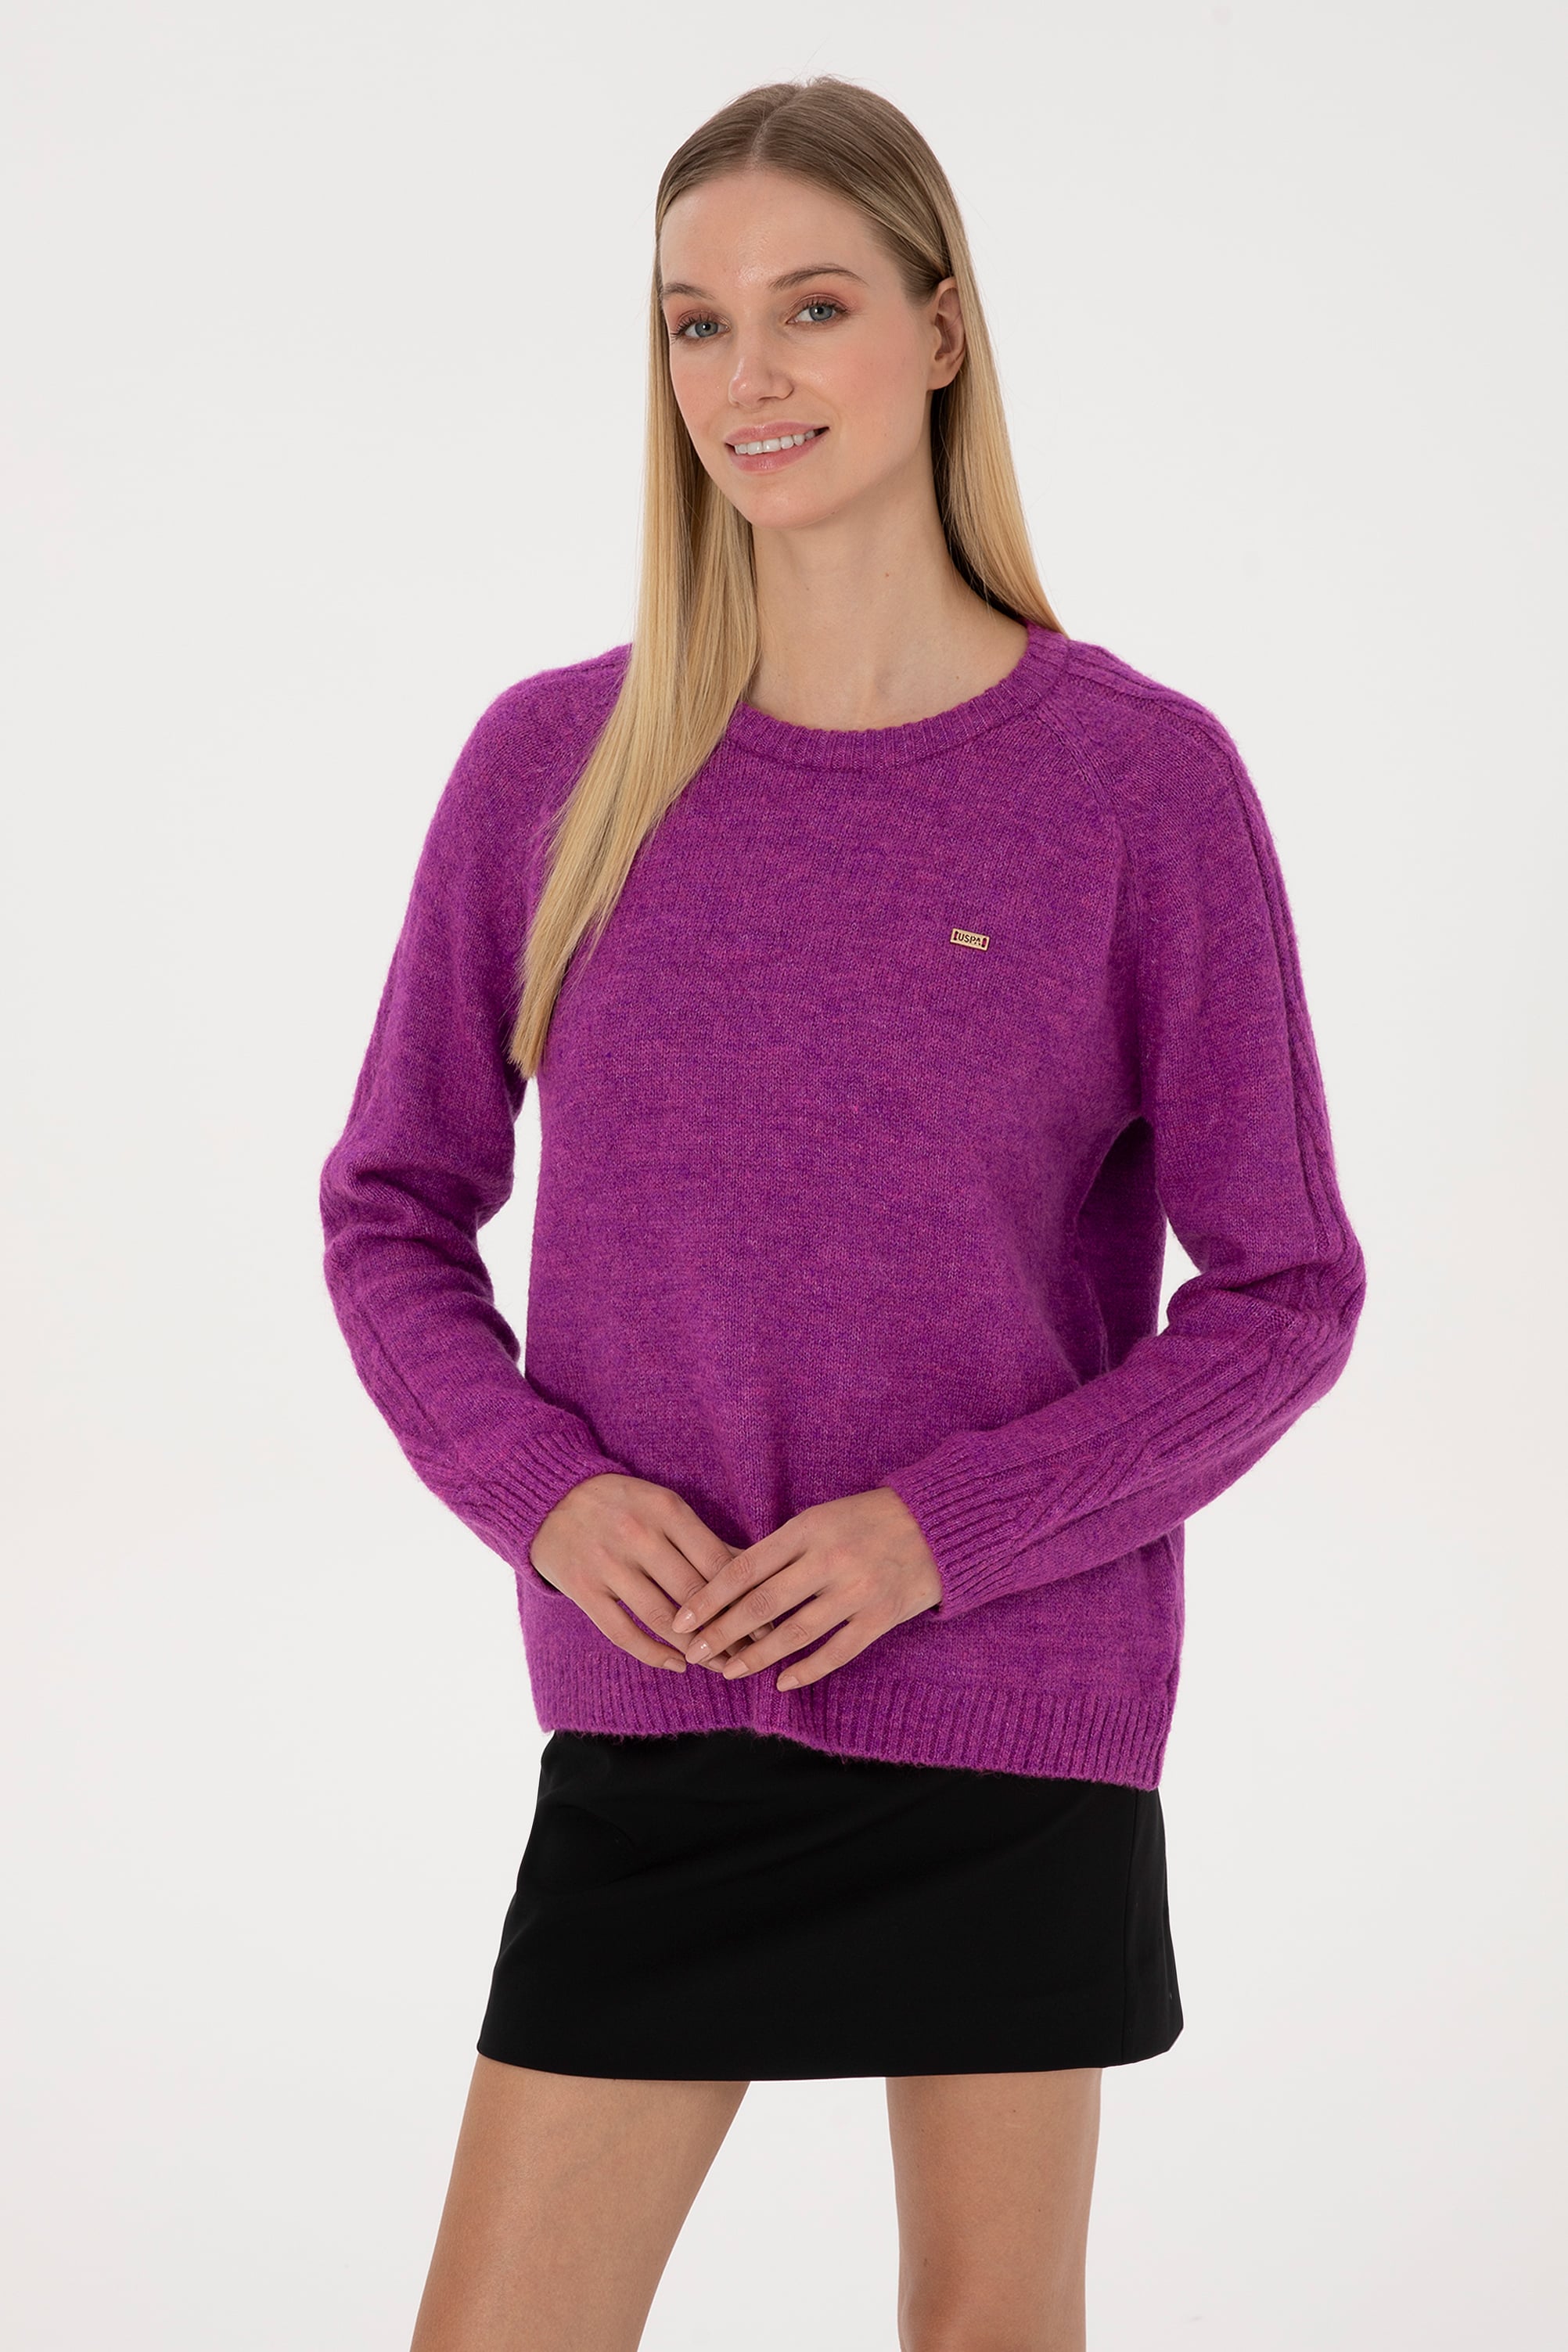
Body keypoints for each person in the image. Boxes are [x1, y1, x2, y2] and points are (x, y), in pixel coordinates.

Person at [318, 74, 1367, 2352]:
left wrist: (935, 1539)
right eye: (694, 323)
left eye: (810, 305)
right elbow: (392, 1206)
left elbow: (1286, 1289)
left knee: (991, 2332)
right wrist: (539, 1494)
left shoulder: (1135, 782)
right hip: (662, 1695)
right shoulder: (552, 766)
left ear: (941, 330)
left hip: (1011, 1707)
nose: (746, 374)